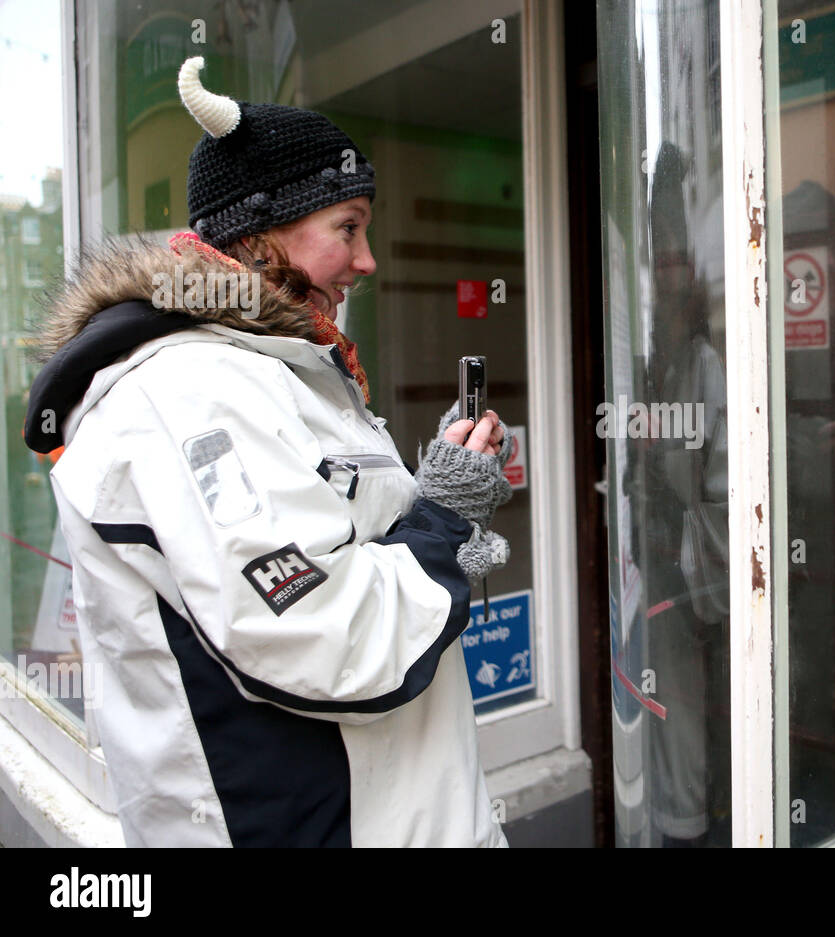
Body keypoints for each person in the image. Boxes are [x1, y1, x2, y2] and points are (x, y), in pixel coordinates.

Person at [22, 57, 512, 847]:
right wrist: (441, 531)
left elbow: (332, 552)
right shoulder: (190, 390)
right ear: (255, 238)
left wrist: (433, 528)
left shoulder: (275, 369)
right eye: (347, 228)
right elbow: (319, 632)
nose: (366, 261)